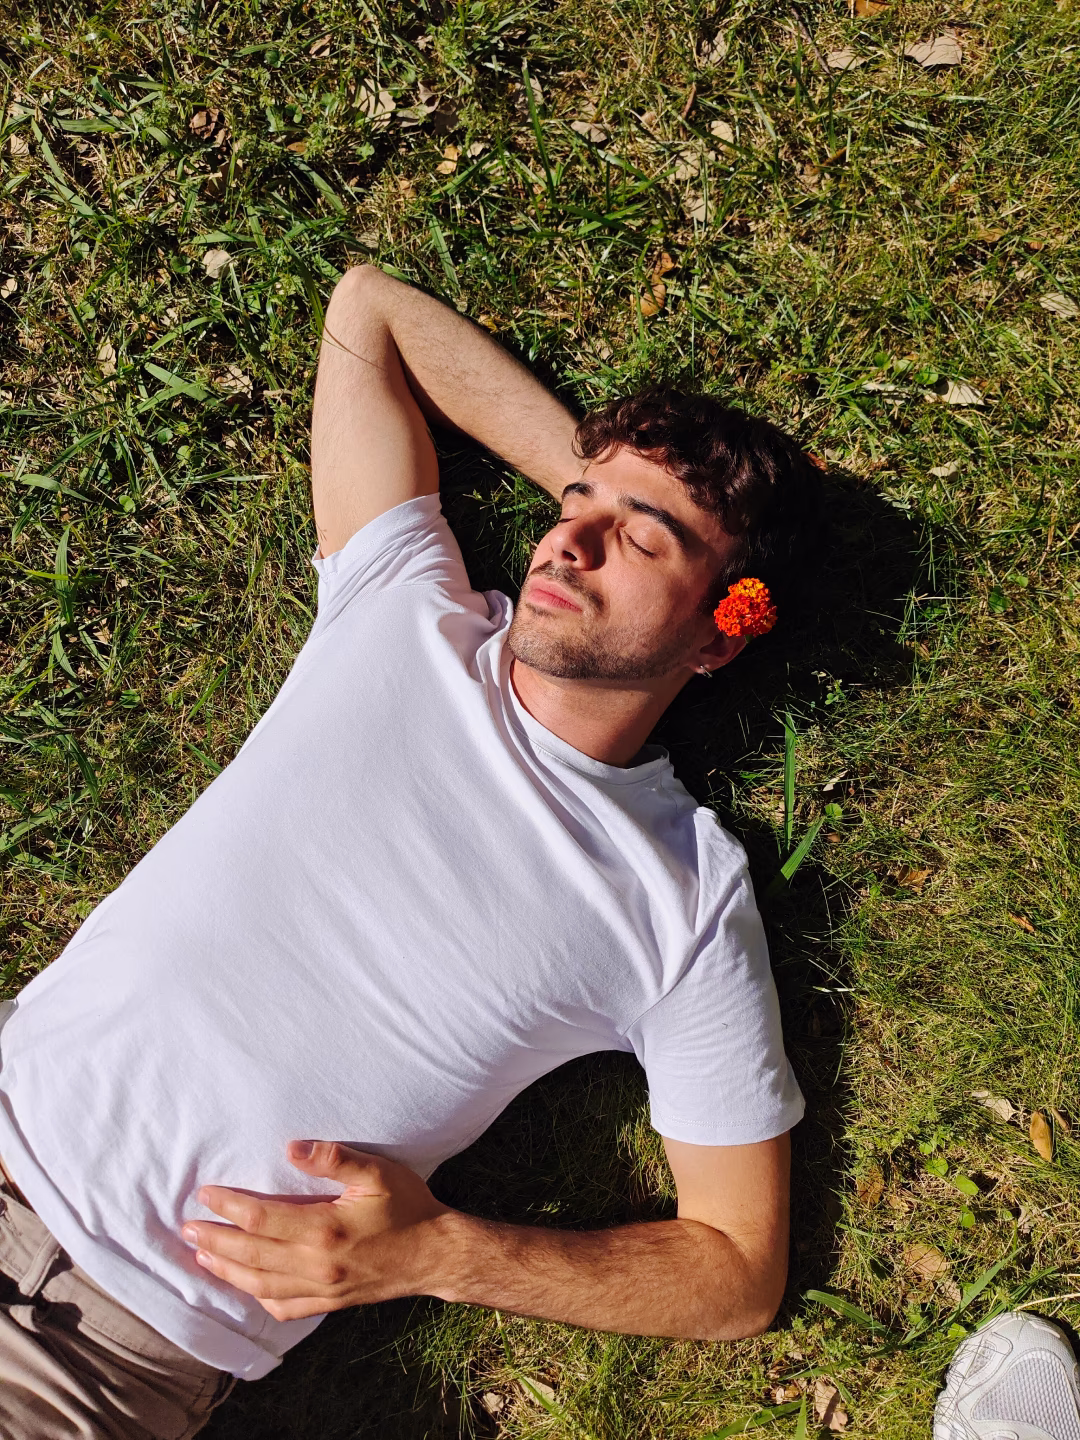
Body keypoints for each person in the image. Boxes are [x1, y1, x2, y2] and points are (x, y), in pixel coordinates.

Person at [2, 269, 1071, 1440]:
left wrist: (436, 1252)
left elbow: (737, 1271)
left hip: (92, 1346)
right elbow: (366, 313)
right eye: (574, 500)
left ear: (724, 636)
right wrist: (632, 483)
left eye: (639, 538)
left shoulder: (679, 899)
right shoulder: (403, 609)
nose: (569, 540)